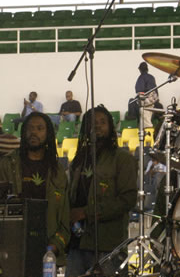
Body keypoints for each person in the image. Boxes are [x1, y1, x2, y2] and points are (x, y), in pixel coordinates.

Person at [66, 106, 138, 277]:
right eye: (92, 123)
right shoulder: (78, 160)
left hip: (108, 245)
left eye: (102, 122)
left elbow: (128, 199)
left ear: (111, 127)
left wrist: (86, 213)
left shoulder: (122, 159)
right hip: (77, 244)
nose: (97, 126)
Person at [0, 112, 71, 266]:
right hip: (11, 252)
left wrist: (53, 248)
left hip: (47, 254)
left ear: (48, 134)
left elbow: (65, 221)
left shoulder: (57, 171)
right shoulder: (7, 165)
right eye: (30, 128)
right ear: (24, 131)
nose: (34, 132)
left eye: (40, 128)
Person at [135, 61, 158, 127]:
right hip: (152, 100)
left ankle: (149, 135)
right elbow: (155, 90)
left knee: (146, 121)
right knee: (147, 118)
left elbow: (140, 90)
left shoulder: (141, 77)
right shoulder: (151, 77)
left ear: (140, 69)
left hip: (145, 101)